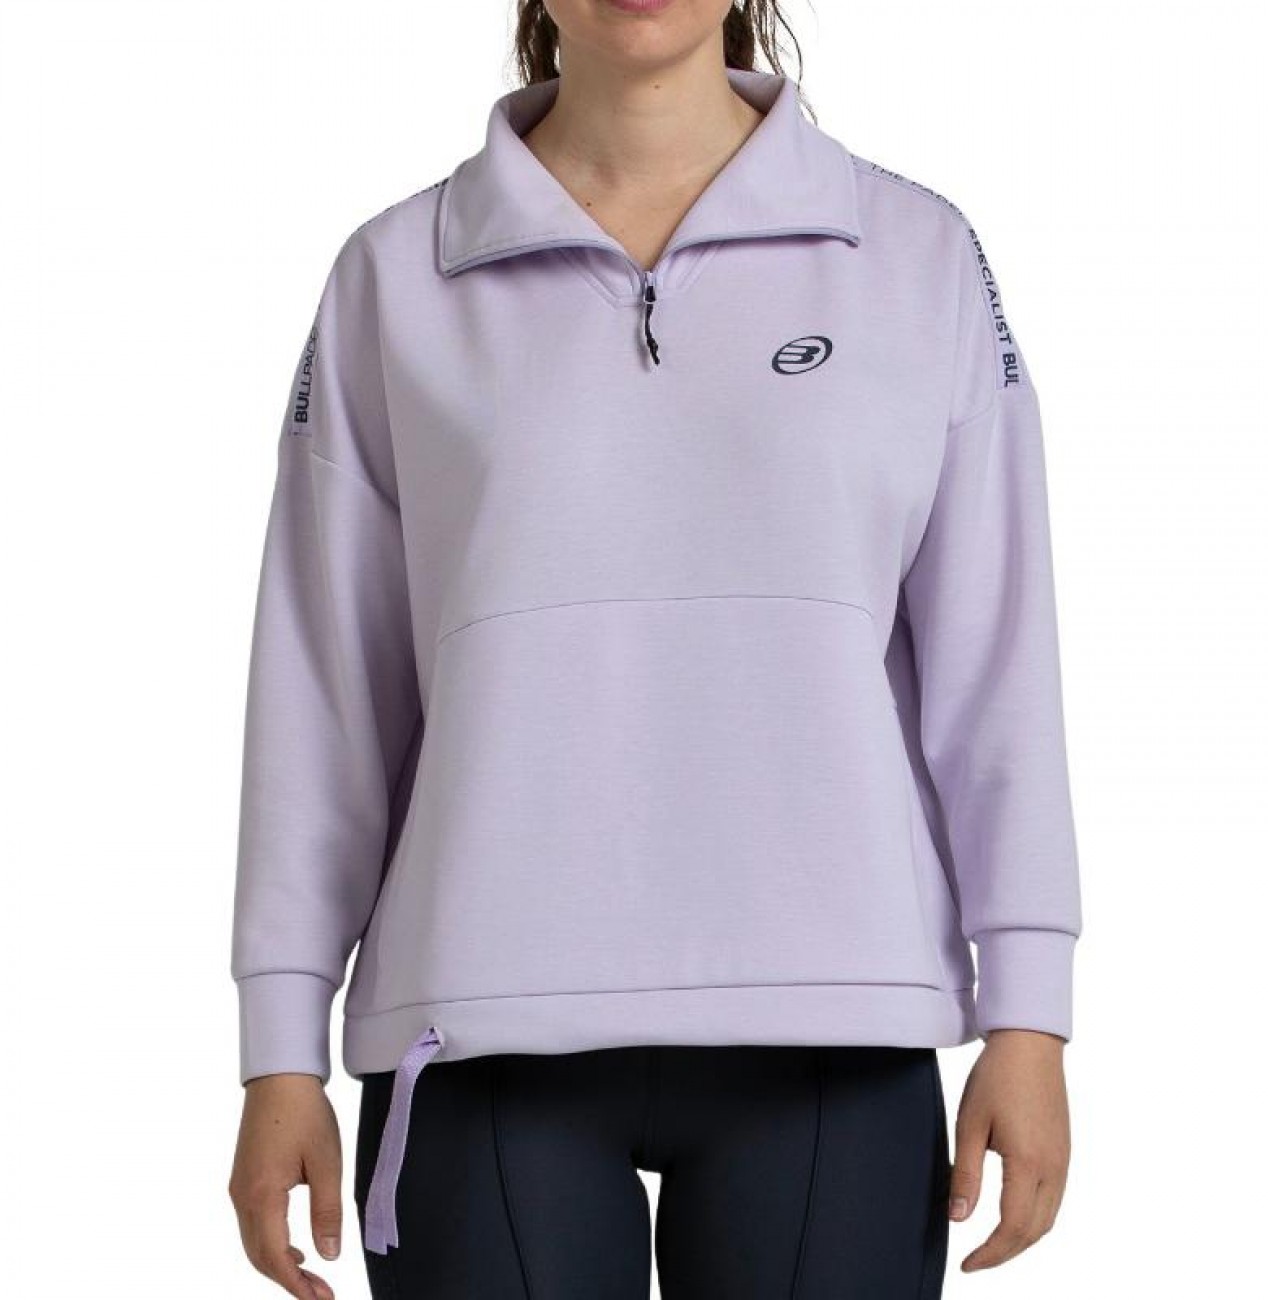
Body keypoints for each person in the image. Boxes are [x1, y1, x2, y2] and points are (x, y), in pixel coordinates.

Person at [227, 2, 1084, 1297]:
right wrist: (279, 1045)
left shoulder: (915, 253)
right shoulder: (397, 273)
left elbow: (997, 661)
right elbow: (325, 690)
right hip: (477, 1021)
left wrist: (1030, 1010)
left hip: (835, 1026)